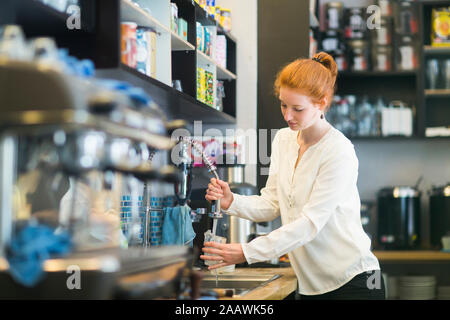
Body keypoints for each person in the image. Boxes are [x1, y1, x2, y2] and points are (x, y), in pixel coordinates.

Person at [201, 52, 385, 300]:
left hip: (353, 283)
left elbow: (309, 224)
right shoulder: (283, 140)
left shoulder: (338, 151)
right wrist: (232, 201)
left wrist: (247, 252)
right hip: (311, 285)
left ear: (321, 103)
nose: (288, 116)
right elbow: (273, 203)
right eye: (283, 104)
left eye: (297, 108)